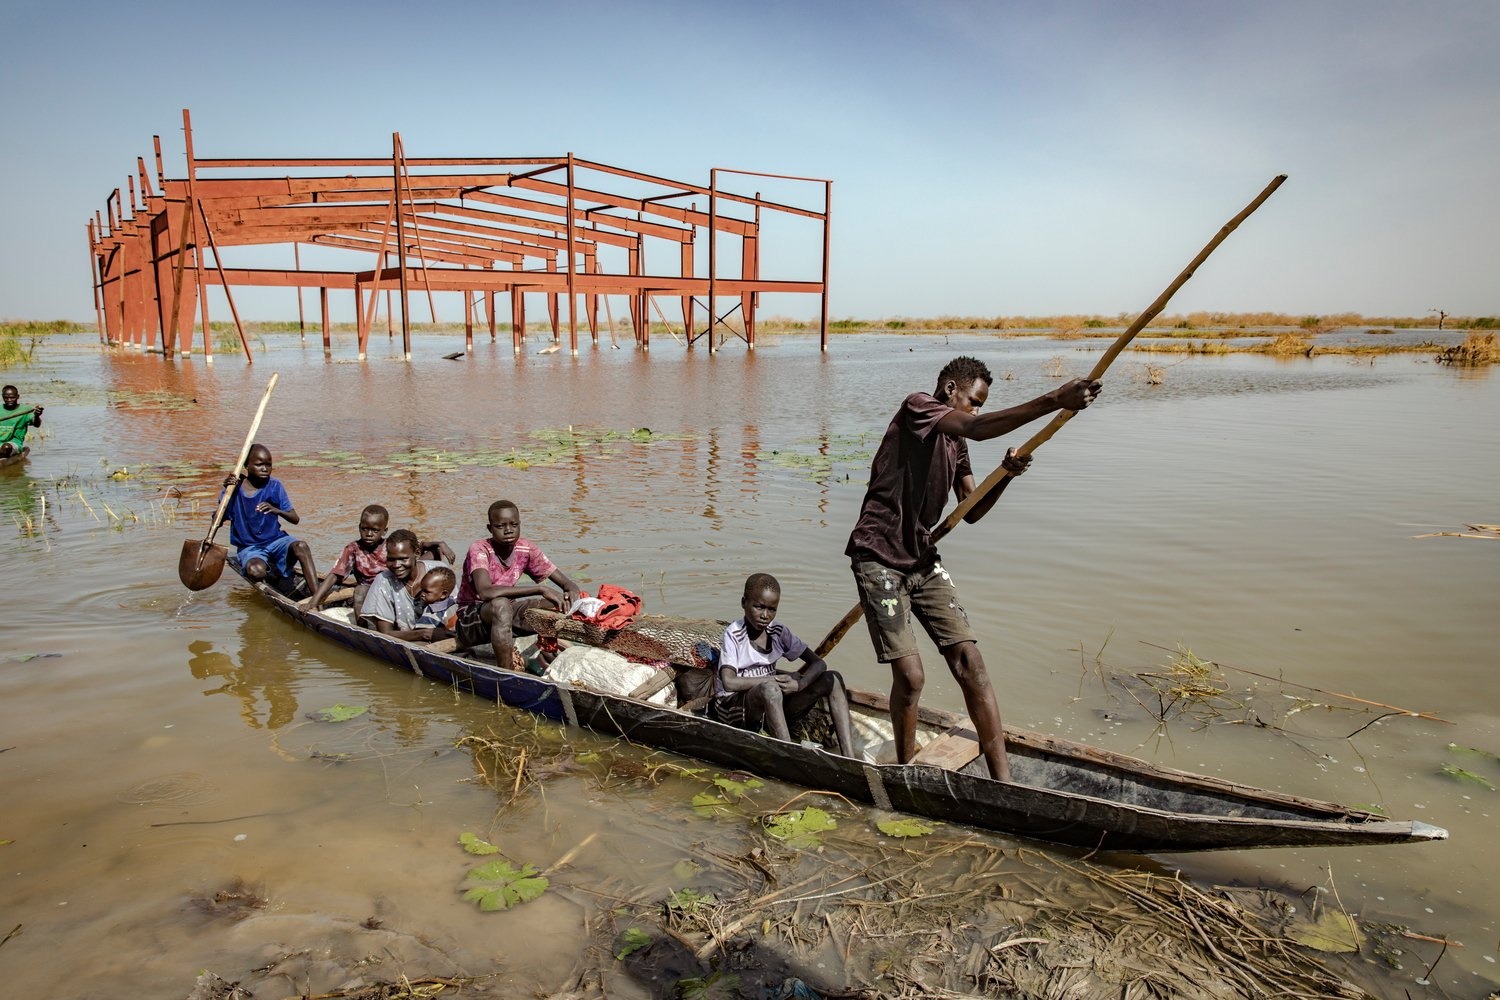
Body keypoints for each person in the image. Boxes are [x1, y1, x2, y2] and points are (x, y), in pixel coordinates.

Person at [845, 356, 1101, 782]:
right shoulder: (919, 408)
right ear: (950, 390)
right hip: (878, 555)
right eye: (974, 401)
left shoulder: (954, 443)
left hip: (921, 559)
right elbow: (975, 428)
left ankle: (1005, 783)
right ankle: (906, 773)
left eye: (982, 404)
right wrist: (1056, 399)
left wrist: (1005, 475)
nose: (977, 410)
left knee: (971, 663)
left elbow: (973, 508)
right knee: (910, 677)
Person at [710, 573, 855, 757]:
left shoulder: (778, 632)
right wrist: (776, 680)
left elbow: (819, 663)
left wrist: (799, 684)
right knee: (770, 689)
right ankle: (789, 757)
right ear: (744, 602)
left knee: (832, 679)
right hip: (736, 710)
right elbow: (730, 682)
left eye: (772, 609)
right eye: (759, 607)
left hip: (773, 702)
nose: (765, 615)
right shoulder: (735, 634)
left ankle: (850, 757)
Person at [454, 499, 581, 671]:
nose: (508, 530)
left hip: (507, 612)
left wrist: (571, 593)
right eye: (501, 526)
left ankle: (550, 650)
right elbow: (485, 592)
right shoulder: (480, 549)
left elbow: (567, 583)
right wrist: (540, 588)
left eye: (514, 524)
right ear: (490, 528)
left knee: (555, 603)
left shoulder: (525, 549)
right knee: (501, 605)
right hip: (472, 618)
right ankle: (506, 672)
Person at [301, 504, 454, 615]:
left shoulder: (391, 545)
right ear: (359, 527)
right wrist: (313, 602)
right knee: (359, 591)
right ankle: (364, 628)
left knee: (433, 555)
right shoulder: (353, 549)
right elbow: (334, 575)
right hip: (370, 589)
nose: (368, 534)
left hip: (396, 583)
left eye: (374, 530)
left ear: (384, 530)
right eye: (364, 528)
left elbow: (417, 546)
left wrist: (439, 544)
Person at [216, 443, 318, 593]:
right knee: (256, 571)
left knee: (301, 546)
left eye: (268, 465)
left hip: (276, 541)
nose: (265, 469)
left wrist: (276, 510)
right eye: (259, 465)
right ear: (246, 465)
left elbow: (295, 519)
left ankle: (317, 599)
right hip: (250, 547)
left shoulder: (274, 485)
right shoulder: (233, 489)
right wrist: (227, 494)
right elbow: (217, 522)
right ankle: (272, 574)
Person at [359, 529, 452, 642]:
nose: (396, 565)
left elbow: (455, 609)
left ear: (417, 554)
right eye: (391, 559)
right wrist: (425, 634)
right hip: (411, 640)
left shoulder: (439, 572)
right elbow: (385, 634)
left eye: (403, 559)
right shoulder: (383, 581)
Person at [0, 384, 43, 458]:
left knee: (6, 447)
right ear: (2, 397)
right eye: (6, 398)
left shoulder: (26, 410)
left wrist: (37, 415)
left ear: (17, 396)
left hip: (13, 444)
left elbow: (37, 425)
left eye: (12, 398)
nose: (9, 400)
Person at [414, 565, 458, 631]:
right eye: (422, 590)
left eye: (426, 591)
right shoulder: (454, 603)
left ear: (443, 594)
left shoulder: (431, 615)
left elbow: (421, 634)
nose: (422, 594)